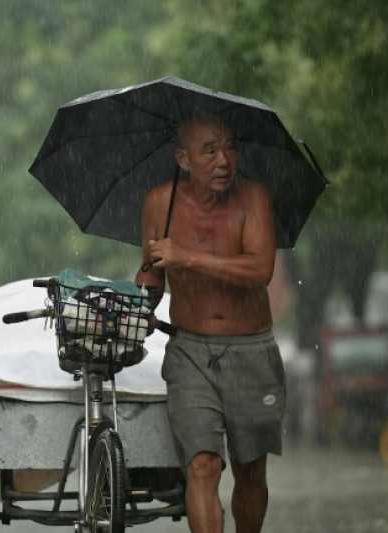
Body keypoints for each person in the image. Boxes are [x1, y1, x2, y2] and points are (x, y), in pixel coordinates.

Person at [135, 113, 285, 533]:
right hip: (189, 352)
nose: (224, 160)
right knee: (202, 465)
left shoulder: (254, 197)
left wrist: (190, 256)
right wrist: (143, 307)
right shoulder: (159, 204)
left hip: (252, 350)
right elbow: (151, 269)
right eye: (210, 150)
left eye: (231, 148)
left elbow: (260, 269)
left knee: (251, 471)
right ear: (183, 158)